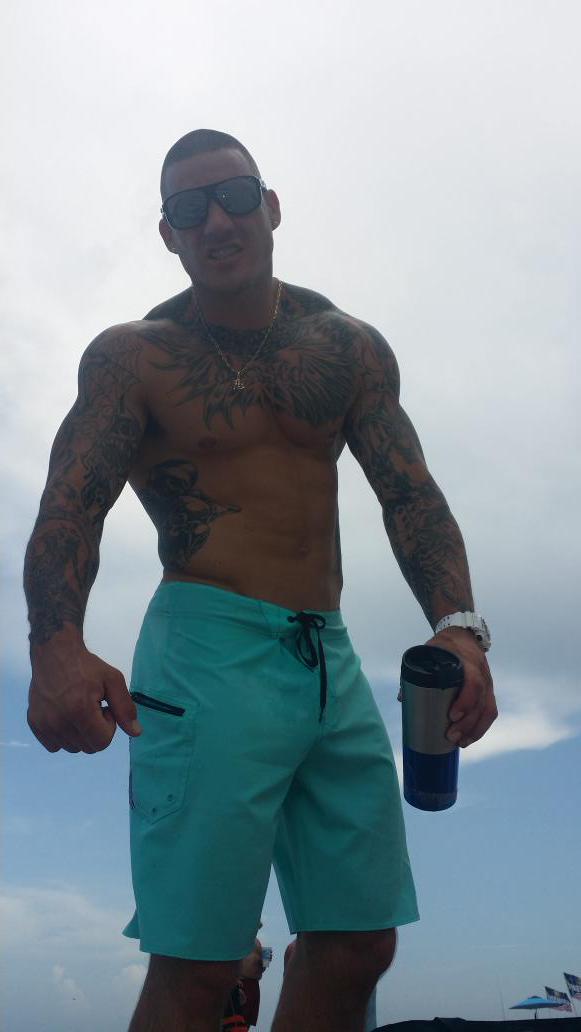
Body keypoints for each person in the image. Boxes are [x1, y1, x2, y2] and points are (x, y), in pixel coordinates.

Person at [23, 128, 497, 1032]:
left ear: (271, 208)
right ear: (167, 233)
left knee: (359, 943)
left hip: (330, 657)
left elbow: (410, 494)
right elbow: (70, 507)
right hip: (206, 650)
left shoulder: (347, 347)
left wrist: (460, 627)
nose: (216, 221)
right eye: (187, 208)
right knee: (201, 962)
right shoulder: (133, 357)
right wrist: (57, 647)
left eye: (234, 196)